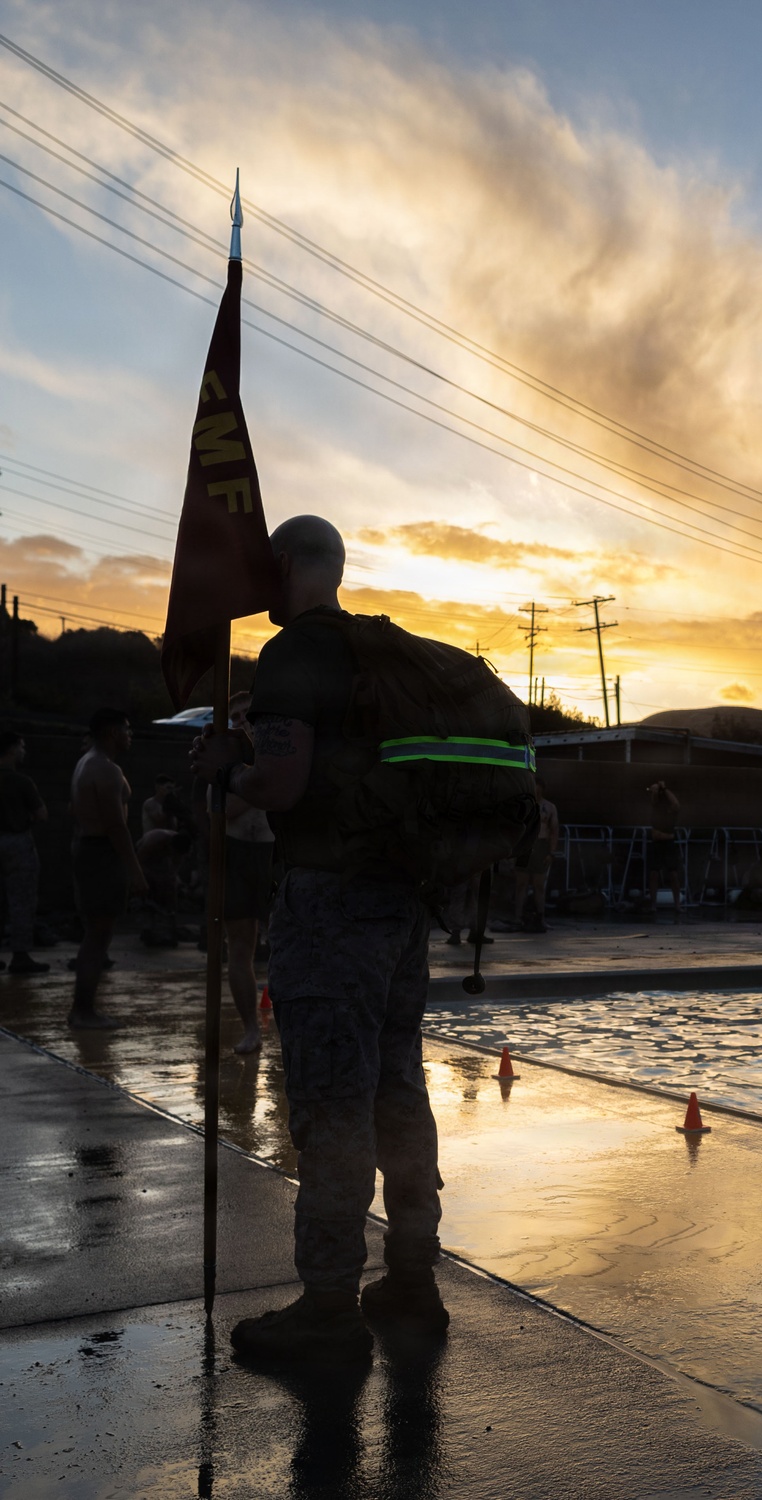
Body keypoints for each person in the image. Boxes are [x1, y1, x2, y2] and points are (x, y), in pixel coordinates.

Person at [193, 515, 446, 1365]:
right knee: (397, 1087)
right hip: (399, 905)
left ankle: (331, 1307)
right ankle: (412, 1276)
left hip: (330, 904)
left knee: (333, 1100)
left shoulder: (297, 653)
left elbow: (282, 780)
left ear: (291, 564)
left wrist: (226, 769)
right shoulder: (380, 655)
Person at [69, 709, 148, 1028]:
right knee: (98, 935)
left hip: (88, 848)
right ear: (113, 732)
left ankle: (83, 1009)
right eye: (127, 729)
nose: (131, 735)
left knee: (96, 933)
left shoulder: (85, 763)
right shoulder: (106, 769)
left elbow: (73, 809)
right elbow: (117, 826)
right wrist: (137, 872)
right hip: (101, 851)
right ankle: (83, 1011)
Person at [220, 690, 275, 1055]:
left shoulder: (282, 752)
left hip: (272, 853)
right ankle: (251, 1030)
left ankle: (287, 1022)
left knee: (288, 944)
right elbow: (226, 809)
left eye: (246, 714)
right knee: (240, 947)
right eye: (234, 716)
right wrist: (261, 783)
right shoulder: (225, 760)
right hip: (237, 853)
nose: (241, 720)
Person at [0, 730, 49, 973]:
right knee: (22, 901)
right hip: (17, 843)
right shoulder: (21, 782)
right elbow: (42, 815)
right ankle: (20, 956)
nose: (24, 751)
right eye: (21, 746)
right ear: (11, 749)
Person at [513, 777, 558, 932]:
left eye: (538, 789)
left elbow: (554, 831)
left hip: (541, 845)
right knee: (521, 884)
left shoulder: (549, 807)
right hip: (525, 845)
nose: (536, 792)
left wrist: (551, 852)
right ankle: (518, 917)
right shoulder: (523, 805)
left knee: (539, 885)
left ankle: (541, 918)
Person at [136, 827, 192, 946]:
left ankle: (167, 926)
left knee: (169, 888)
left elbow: (173, 873)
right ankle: (148, 927)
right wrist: (153, 879)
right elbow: (138, 864)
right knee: (148, 892)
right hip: (143, 861)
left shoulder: (179, 849)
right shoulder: (154, 841)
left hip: (160, 863)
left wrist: (174, 886)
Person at [645, 781, 682, 923]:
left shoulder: (670, 810)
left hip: (668, 846)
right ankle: (653, 905)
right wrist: (670, 835)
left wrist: (664, 788)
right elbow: (656, 835)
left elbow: (676, 804)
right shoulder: (656, 812)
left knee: (673, 874)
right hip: (658, 845)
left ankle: (677, 905)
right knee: (654, 874)